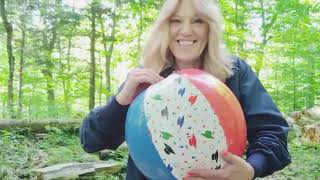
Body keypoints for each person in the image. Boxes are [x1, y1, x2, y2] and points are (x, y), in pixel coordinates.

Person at [80, 0, 291, 179]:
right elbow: (91, 142)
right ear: (165, 27)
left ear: (210, 27)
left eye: (198, 20)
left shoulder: (235, 72)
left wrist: (252, 168)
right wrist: (121, 101)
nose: (186, 30)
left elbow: (272, 133)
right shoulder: (145, 77)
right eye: (176, 21)